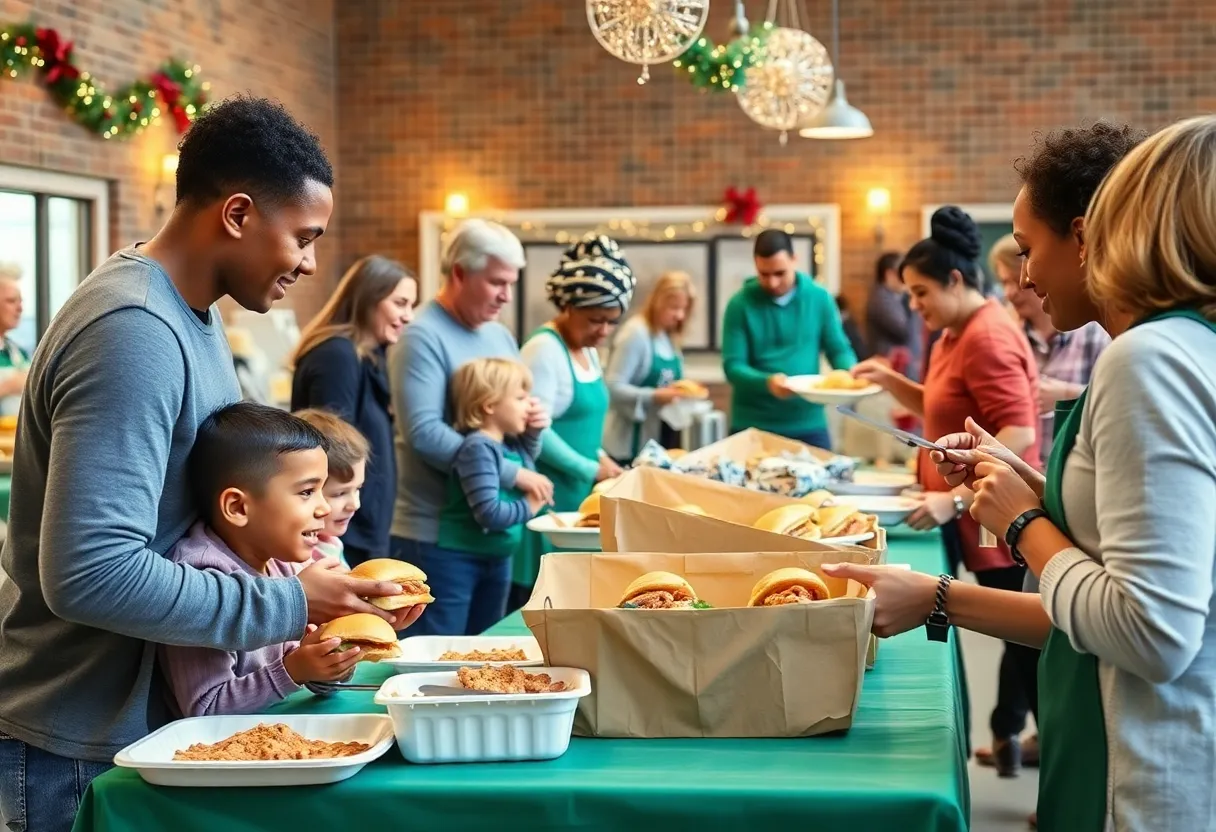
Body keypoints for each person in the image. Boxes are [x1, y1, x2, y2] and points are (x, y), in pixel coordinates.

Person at [0, 96, 413, 832]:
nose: (312, 262)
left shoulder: (195, 315)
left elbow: (212, 520)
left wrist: (314, 582)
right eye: (304, 237)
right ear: (237, 214)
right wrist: (291, 604)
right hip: (79, 742)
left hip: (150, 724)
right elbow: (89, 572)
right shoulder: (133, 330)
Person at [825, 120, 1216, 832]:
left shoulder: (1148, 360)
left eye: (1030, 250)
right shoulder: (1177, 349)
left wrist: (1020, 522)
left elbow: (1150, 632)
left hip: (1139, 777)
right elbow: (1113, 558)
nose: (1024, 277)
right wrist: (1027, 491)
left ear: (1087, 237)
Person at [851, 206, 1042, 778]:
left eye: (920, 293)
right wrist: (892, 383)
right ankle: (1010, 734)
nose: (914, 307)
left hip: (996, 521)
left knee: (1027, 639)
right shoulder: (953, 332)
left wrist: (953, 499)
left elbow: (1020, 431)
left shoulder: (987, 336)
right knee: (1019, 643)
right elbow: (941, 405)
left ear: (955, 281)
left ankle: (1038, 744)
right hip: (971, 517)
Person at [159, 404, 386, 718]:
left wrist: (331, 660)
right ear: (238, 507)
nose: (323, 509)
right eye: (307, 492)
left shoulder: (281, 564)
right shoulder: (202, 577)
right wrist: (292, 671)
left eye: (323, 491)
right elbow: (206, 708)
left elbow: (314, 680)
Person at [388, 219, 553, 635]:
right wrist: (514, 473)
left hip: (494, 537)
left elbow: (505, 427)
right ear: (460, 272)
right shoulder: (421, 335)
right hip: (438, 539)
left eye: (511, 284)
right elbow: (423, 432)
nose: (507, 296)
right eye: (497, 282)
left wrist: (530, 422)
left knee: (487, 657)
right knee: (436, 665)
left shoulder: (499, 335)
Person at [514, 235, 635, 608]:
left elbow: (582, 425)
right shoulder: (544, 350)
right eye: (595, 320)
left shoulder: (588, 351)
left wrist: (604, 461)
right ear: (568, 306)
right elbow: (538, 428)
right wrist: (588, 468)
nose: (603, 331)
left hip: (580, 493)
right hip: (550, 498)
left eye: (612, 323)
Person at [291, 255, 417, 566]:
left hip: (358, 524)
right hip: (341, 534)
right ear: (369, 299)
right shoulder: (338, 355)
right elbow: (329, 451)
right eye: (400, 303)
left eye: (411, 305)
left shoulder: (370, 357)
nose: (408, 315)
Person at [435, 358, 546, 632]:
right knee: (453, 634)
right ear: (489, 404)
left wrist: (534, 433)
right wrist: (530, 507)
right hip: (461, 559)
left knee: (486, 635)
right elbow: (489, 512)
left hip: (497, 556)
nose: (529, 405)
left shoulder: (507, 444)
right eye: (520, 398)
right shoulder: (478, 448)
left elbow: (527, 464)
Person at [721, 229, 856, 449]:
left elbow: (838, 349)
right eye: (764, 274)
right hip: (752, 425)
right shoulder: (739, 304)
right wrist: (766, 382)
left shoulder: (819, 298)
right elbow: (733, 366)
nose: (772, 282)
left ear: (795, 260)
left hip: (808, 424)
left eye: (779, 273)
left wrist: (850, 372)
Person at [991, 234, 1110, 464]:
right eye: (1003, 282)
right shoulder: (1006, 337)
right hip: (1022, 473)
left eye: (1015, 280)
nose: (1010, 292)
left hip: (1074, 470)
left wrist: (1068, 396)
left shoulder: (1093, 333)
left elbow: (1118, 399)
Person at [603, 270, 695, 464]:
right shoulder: (635, 333)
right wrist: (654, 396)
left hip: (658, 439)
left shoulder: (668, 336)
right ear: (657, 302)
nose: (679, 315)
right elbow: (612, 386)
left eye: (683, 309)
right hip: (628, 443)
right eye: (673, 308)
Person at [294, 408, 372, 569]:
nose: (354, 504)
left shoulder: (330, 543)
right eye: (339, 493)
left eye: (357, 489)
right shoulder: (297, 559)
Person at [866, 251, 915, 359]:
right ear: (889, 274)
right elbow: (903, 330)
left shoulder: (891, 297)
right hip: (889, 361)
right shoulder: (881, 299)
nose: (905, 281)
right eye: (901, 275)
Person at [0, 268, 30, 417]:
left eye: (21, 301)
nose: (20, 308)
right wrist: (8, 386)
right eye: (11, 301)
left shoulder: (19, 354)